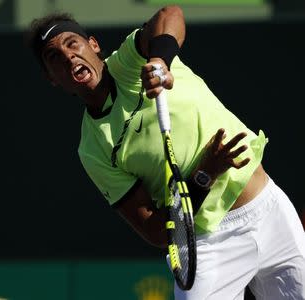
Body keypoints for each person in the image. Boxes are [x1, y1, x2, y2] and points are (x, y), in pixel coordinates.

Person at [25, 5, 305, 299]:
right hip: (207, 244)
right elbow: (156, 231)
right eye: (54, 57)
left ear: (93, 45)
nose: (68, 55)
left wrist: (160, 60)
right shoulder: (93, 149)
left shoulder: (130, 61)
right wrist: (204, 175)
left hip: (269, 209)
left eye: (73, 43)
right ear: (52, 78)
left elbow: (170, 14)